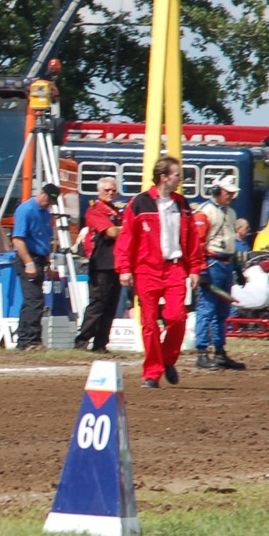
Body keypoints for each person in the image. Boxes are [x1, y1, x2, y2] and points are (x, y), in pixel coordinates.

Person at [114, 156, 203, 388]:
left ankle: (167, 359)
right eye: (177, 175)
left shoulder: (182, 205)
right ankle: (152, 374)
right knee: (150, 323)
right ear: (164, 177)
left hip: (175, 268)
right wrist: (124, 268)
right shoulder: (139, 203)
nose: (180, 179)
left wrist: (195, 268)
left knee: (177, 317)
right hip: (146, 270)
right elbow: (126, 238)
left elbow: (193, 239)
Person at [192, 176, 247, 370]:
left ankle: (219, 351)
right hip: (212, 263)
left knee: (222, 311)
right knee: (206, 308)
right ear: (216, 191)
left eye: (232, 193)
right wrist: (201, 270)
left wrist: (238, 269)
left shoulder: (230, 213)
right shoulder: (204, 213)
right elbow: (197, 244)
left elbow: (232, 241)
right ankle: (201, 352)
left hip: (226, 264)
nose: (231, 196)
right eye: (227, 192)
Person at [74, 176, 123, 353]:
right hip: (101, 263)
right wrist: (127, 229)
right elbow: (110, 232)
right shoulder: (95, 210)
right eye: (106, 190)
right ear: (99, 191)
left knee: (111, 305)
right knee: (97, 304)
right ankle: (82, 341)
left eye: (113, 190)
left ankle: (101, 344)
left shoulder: (116, 211)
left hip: (116, 263)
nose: (110, 193)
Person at [12, 182, 61, 351]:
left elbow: (45, 240)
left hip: (39, 258)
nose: (49, 205)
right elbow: (18, 239)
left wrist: (48, 263)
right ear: (42, 193)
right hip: (28, 258)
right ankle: (31, 340)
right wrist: (29, 263)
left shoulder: (46, 213)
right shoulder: (26, 210)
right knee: (35, 300)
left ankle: (24, 340)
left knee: (32, 301)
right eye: (48, 200)